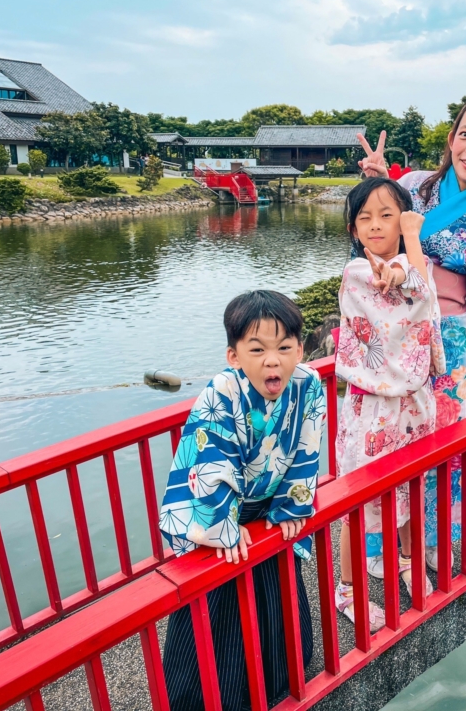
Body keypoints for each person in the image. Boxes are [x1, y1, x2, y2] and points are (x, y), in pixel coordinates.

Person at [356, 95, 466, 569]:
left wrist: (462, 330)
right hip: (399, 331)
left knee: (443, 442)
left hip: (453, 341)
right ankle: (385, 540)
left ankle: (433, 542)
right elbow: (370, 230)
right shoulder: (413, 186)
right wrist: (378, 184)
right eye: (465, 134)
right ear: (451, 138)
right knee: (393, 433)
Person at [159, 290, 326, 711]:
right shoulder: (220, 394)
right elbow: (210, 460)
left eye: (285, 347)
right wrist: (223, 527)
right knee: (219, 602)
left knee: (276, 586)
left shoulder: (308, 385)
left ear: (300, 348)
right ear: (234, 355)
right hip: (218, 512)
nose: (274, 361)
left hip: (269, 509)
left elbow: (307, 449)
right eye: (258, 350)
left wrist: (291, 504)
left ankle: (279, 681)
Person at [333, 177, 444, 633]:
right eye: (365, 218)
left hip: (413, 403)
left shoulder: (413, 262)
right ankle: (347, 588)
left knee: (409, 489)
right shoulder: (356, 274)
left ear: (404, 218)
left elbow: (417, 289)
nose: (376, 225)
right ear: (353, 229)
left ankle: (403, 560)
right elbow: (412, 291)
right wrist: (406, 259)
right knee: (358, 500)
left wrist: (406, 260)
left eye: (387, 215)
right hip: (374, 407)